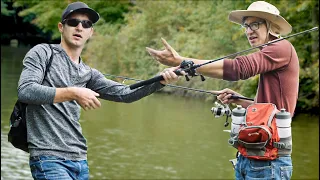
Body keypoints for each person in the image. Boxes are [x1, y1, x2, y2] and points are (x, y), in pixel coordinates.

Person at [17, 1, 181, 179]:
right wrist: (74, 92)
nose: (80, 27)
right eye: (73, 22)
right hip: (48, 158)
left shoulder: (88, 73)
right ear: (61, 27)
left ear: (91, 32)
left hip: (80, 161)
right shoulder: (42, 53)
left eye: (86, 24)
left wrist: (160, 81)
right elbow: (26, 90)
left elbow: (125, 94)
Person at [146, 1, 298, 179]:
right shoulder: (272, 54)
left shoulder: (281, 48)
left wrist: (180, 61)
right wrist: (239, 100)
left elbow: (237, 69)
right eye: (246, 26)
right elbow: (270, 109)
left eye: (255, 24)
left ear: (271, 26)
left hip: (269, 162)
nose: (249, 31)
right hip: (250, 158)